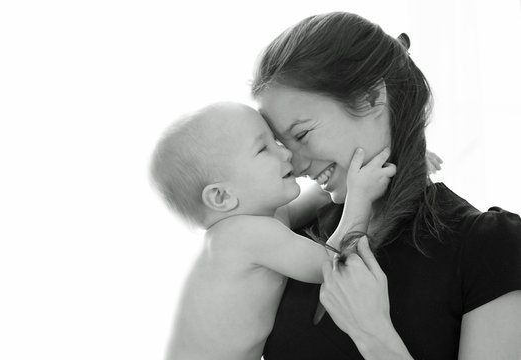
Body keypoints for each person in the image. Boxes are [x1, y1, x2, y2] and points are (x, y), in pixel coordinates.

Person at [252, 11, 521, 360]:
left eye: (302, 134)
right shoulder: (292, 241)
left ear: (372, 99)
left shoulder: (491, 248)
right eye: (282, 145)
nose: (296, 165)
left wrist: (373, 334)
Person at [150, 101, 396, 360]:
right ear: (222, 196)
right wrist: (361, 195)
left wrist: (377, 161)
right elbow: (331, 263)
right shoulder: (244, 235)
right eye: (263, 149)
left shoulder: (261, 220)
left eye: (275, 141)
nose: (286, 153)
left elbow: (321, 198)